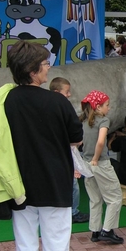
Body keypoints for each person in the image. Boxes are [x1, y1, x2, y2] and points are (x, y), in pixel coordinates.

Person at [3, 40, 84, 251]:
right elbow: (76, 137)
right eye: (45, 64)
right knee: (57, 248)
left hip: (19, 185)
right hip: (55, 183)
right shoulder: (57, 101)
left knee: (25, 248)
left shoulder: (6, 101)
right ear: (32, 70)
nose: (48, 68)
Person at [80, 90, 124, 244]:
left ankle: (95, 231)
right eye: (106, 105)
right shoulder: (103, 121)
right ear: (98, 107)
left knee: (95, 198)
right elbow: (100, 142)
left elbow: (81, 142)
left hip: (87, 164)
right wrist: (96, 158)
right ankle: (107, 230)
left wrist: (89, 160)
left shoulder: (85, 122)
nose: (109, 108)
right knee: (115, 197)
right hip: (100, 163)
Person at [49, 77, 90, 224]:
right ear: (57, 92)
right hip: (62, 151)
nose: (69, 95)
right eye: (67, 92)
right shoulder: (61, 108)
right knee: (72, 184)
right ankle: (73, 212)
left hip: (57, 151)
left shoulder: (50, 107)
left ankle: (66, 212)